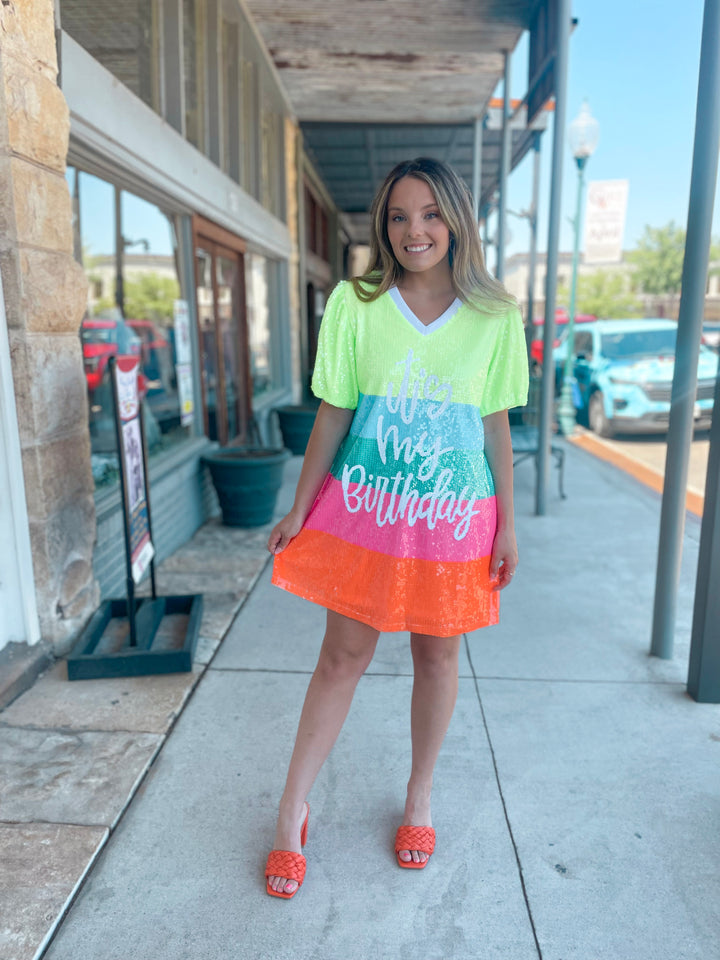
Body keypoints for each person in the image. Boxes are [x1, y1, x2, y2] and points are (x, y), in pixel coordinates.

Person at [264, 157, 529, 899]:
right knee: (340, 660)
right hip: (365, 518)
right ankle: (292, 812)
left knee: (438, 662)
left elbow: (496, 425)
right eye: (399, 217)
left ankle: (419, 796)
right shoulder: (357, 302)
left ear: (458, 220)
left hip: (453, 521)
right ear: (384, 227)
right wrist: (298, 505)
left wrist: (507, 523)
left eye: (431, 214)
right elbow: (334, 412)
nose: (415, 231)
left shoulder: (495, 315)